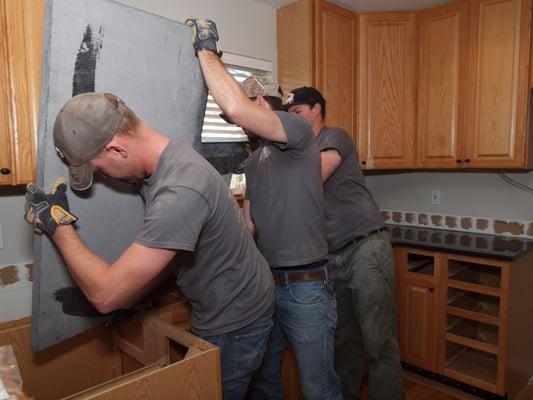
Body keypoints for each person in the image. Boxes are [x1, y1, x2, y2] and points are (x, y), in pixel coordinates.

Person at [23, 92, 275, 400]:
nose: (104, 177)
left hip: (236, 320)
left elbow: (104, 296)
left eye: (100, 170)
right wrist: (134, 297)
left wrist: (55, 223)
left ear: (116, 149)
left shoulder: (179, 191)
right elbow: (170, 255)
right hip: (246, 297)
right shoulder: (168, 159)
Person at [184, 19, 342, 400]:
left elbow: (237, 110)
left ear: (259, 103)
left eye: (236, 119)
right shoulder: (254, 163)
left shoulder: (297, 133)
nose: (236, 128)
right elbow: (249, 227)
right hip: (264, 290)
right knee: (266, 384)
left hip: (307, 289)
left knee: (319, 388)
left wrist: (206, 49)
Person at [285, 86, 405, 399]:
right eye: (289, 117)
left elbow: (314, 177)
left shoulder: (333, 137)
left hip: (365, 246)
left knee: (378, 340)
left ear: (316, 109)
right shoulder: (300, 153)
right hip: (333, 257)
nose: (294, 121)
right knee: (345, 341)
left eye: (297, 113)